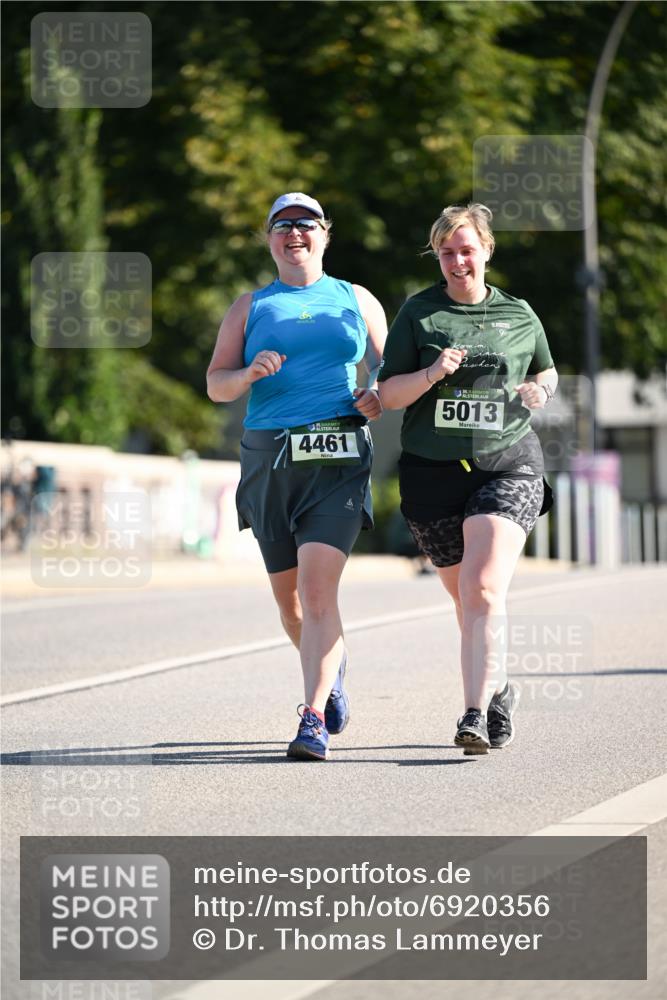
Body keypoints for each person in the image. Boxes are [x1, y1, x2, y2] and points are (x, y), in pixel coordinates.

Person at [207, 192, 387, 761]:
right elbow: (216, 383)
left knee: (316, 589)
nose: (294, 234)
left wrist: (378, 393)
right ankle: (330, 672)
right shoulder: (250, 306)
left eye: (305, 225)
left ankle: (311, 718)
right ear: (269, 240)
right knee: (291, 605)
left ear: (324, 235)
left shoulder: (355, 299)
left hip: (338, 454)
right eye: (281, 226)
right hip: (269, 458)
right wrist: (247, 373)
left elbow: (389, 367)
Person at [377, 203, 557, 755]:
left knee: (482, 589)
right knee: (466, 603)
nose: (458, 261)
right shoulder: (420, 313)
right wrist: (432, 373)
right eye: (447, 252)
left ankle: (473, 715)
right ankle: (498, 684)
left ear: (486, 251)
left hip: (507, 461)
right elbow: (387, 396)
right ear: (437, 256)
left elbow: (545, 368)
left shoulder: (518, 313)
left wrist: (540, 391)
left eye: (467, 249)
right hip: (431, 472)